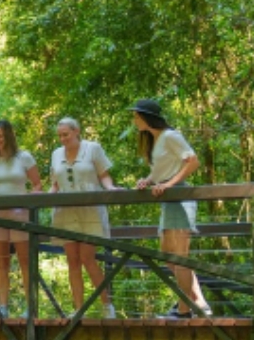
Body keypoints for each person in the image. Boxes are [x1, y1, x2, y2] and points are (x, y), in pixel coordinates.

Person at [131, 99, 211, 317]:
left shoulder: (170, 136)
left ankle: (185, 309)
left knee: (179, 256)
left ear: (147, 117)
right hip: (168, 200)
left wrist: (169, 184)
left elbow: (193, 161)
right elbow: (162, 171)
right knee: (169, 255)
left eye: (136, 116)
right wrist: (147, 180)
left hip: (179, 198)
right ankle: (198, 302)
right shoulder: (155, 140)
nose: (134, 120)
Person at [47, 118, 116, 318]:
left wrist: (110, 188)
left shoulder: (93, 148)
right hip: (65, 211)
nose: (62, 139)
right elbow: (55, 184)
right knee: (72, 260)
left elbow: (104, 175)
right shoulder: (55, 154)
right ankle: (79, 309)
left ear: (77, 131)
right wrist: (43, 198)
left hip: (89, 209)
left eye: (66, 134)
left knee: (88, 258)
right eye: (60, 135)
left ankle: (106, 306)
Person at [0, 120, 40, 316]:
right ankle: (2, 306)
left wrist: (30, 202)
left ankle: (30, 306)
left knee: (25, 260)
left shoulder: (24, 157)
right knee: (1, 261)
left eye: (1, 136)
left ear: (9, 136)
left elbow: (37, 185)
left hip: (20, 213)